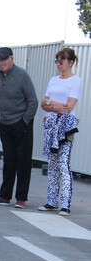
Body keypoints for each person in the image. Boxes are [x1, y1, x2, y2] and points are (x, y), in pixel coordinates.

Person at [0, 47, 38, 208]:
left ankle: (21, 197)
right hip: (5, 123)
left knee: (23, 161)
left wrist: (25, 121)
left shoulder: (22, 75)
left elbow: (33, 101)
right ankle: (5, 196)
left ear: (12, 59)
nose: (1, 63)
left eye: (4, 59)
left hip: (21, 123)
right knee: (9, 160)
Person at [38, 48, 82, 216]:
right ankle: (51, 201)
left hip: (65, 126)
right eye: (57, 61)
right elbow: (43, 104)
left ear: (70, 62)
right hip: (50, 123)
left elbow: (69, 107)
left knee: (63, 163)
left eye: (61, 61)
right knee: (52, 163)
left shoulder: (75, 81)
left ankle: (65, 203)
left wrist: (52, 104)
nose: (59, 64)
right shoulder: (53, 80)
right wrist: (56, 106)